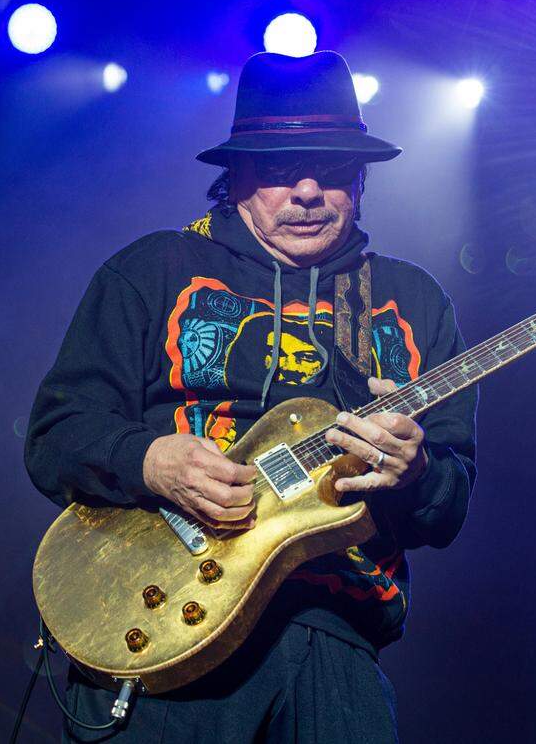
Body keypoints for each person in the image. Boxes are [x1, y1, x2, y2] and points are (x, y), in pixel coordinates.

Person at [25, 50, 478, 743]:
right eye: (277, 169)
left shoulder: (413, 300)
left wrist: (416, 473)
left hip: (338, 641)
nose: (306, 190)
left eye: (331, 171)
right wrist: (149, 460)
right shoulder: (154, 269)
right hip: (167, 624)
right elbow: (56, 435)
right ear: (234, 175)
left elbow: (449, 504)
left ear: (358, 182)